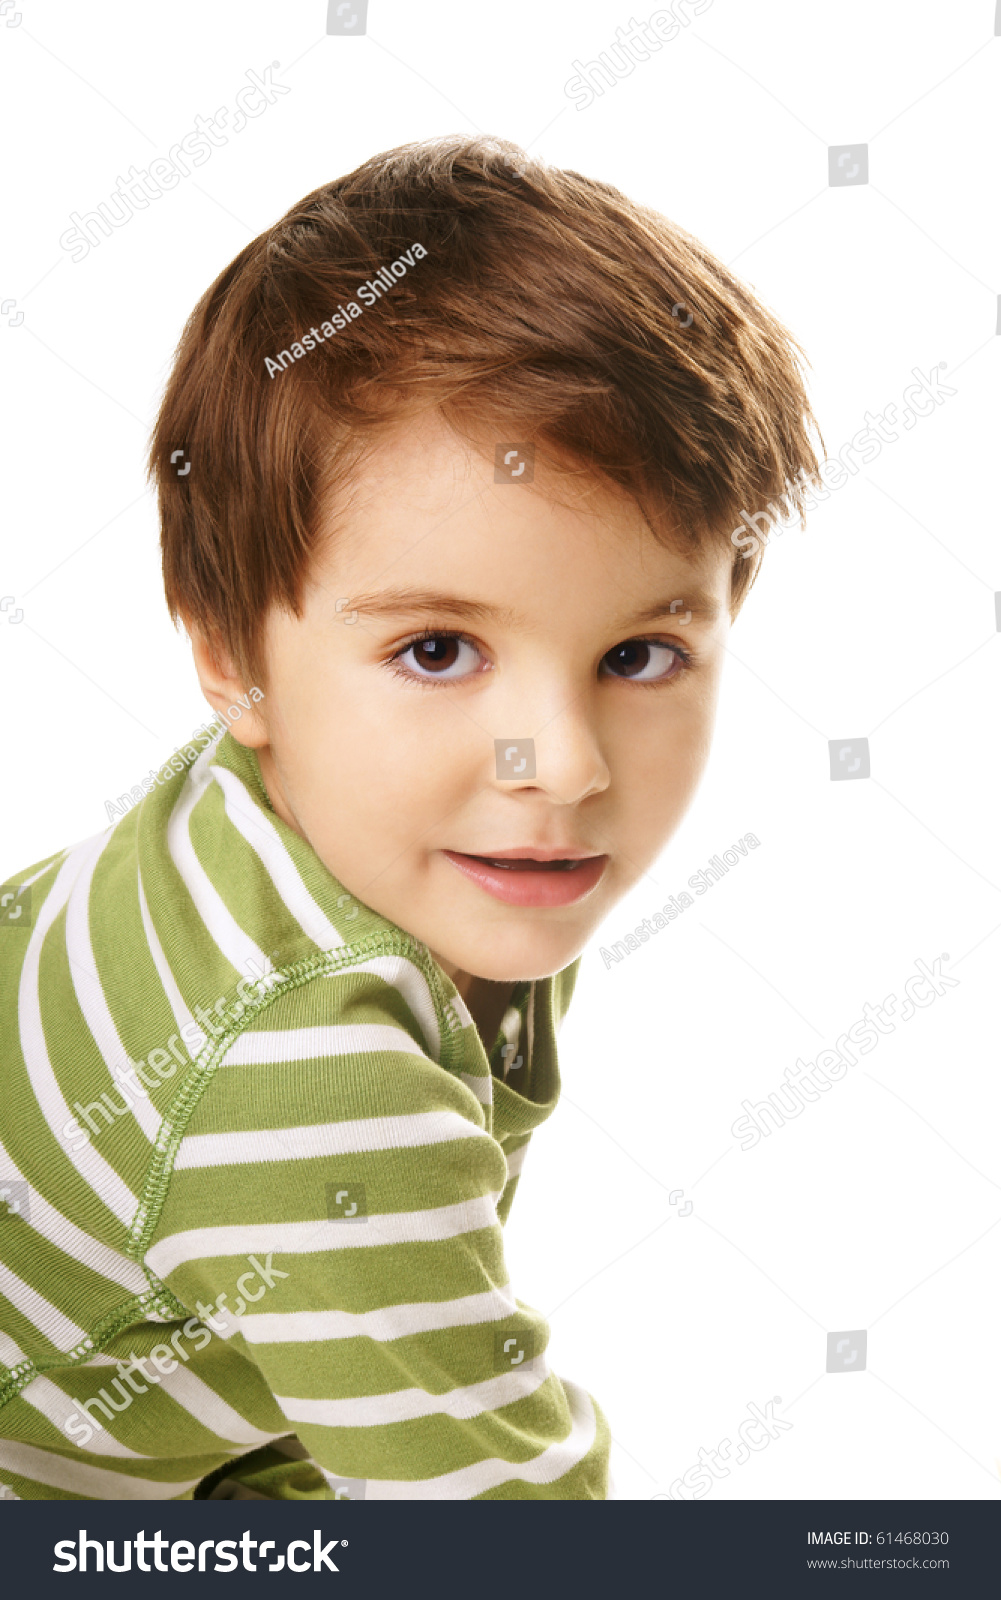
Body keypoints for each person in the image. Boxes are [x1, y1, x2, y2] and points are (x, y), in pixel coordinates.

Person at [0, 135, 822, 1500]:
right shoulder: (309, 1074)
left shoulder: (306, 815)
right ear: (233, 657)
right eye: (438, 651)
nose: (557, 766)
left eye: (637, 656)